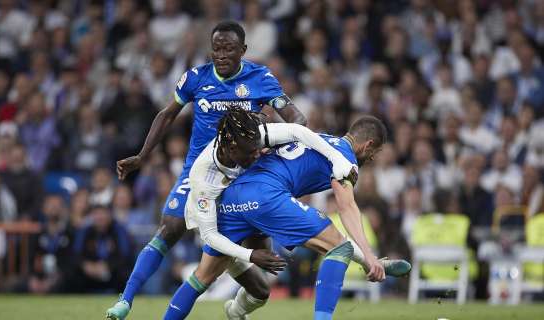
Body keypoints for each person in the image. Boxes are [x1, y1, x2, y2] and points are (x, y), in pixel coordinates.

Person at [106, 20, 306, 319]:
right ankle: (125, 300)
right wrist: (142, 155)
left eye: (229, 49)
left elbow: (297, 119)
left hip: (244, 178)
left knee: (260, 284)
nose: (221, 55)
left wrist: (271, 146)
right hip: (198, 172)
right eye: (216, 49)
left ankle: (236, 289)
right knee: (169, 228)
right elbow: (166, 115)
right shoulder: (195, 78)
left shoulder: (260, 78)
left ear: (243, 50)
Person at [162, 116, 411, 319]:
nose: (373, 158)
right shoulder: (346, 159)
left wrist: (371, 261)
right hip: (267, 196)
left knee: (202, 277)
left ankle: (231, 313)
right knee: (340, 248)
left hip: (233, 195)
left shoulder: (320, 139)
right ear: (367, 146)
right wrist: (368, 254)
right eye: (375, 152)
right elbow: (346, 207)